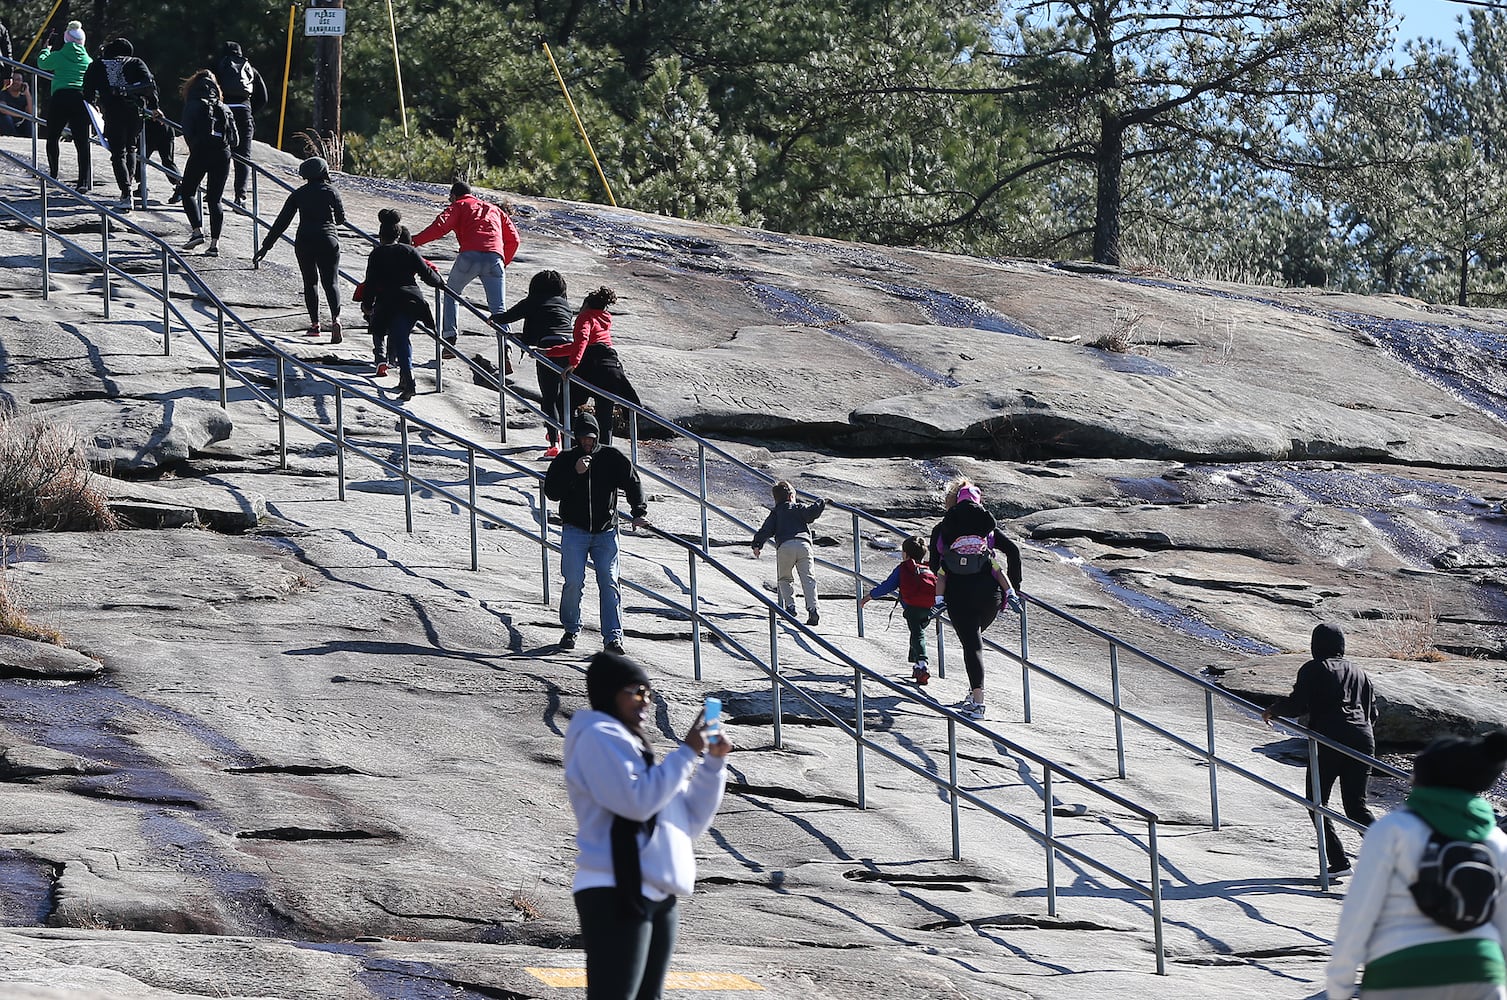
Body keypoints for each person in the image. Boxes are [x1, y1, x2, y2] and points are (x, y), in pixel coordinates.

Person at [565, 649, 731, 1000]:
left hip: (658, 891)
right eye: (636, 692)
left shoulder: (638, 751)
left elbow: (688, 823)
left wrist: (713, 765)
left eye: (649, 693)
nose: (645, 702)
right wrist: (686, 752)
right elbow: (635, 803)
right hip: (614, 888)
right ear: (609, 692)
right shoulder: (596, 736)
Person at [1326, 730, 1507, 1000]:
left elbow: (1360, 912)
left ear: (1425, 779)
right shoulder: (1496, 839)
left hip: (1403, 970)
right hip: (1481, 972)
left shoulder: (1393, 830)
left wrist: (1340, 984)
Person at [1263, 622, 1379, 876]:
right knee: (1356, 806)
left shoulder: (1314, 668)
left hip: (1330, 741)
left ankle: (1339, 863)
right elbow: (1373, 713)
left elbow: (1298, 705)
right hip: (1363, 740)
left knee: (1316, 802)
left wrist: (1274, 709)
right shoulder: (1360, 672)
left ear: (1316, 645)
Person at [543, 411, 649, 654]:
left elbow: (633, 481)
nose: (587, 443)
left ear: (597, 437)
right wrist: (574, 472)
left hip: (606, 532)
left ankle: (613, 638)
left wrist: (638, 511)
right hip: (575, 531)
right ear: (576, 439)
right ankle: (571, 629)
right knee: (573, 582)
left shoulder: (611, 457)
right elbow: (552, 491)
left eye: (591, 438)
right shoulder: (566, 460)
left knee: (610, 582)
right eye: (583, 439)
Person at [927, 478, 1023, 721]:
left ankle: (978, 702)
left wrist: (941, 589)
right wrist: (1015, 587)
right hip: (990, 593)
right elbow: (1013, 551)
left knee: (972, 644)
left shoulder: (943, 528)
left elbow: (934, 565)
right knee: (975, 640)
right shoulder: (986, 528)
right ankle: (973, 692)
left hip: (958, 593)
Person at [411, 181, 519, 353]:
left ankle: (449, 339)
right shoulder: (494, 209)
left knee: (451, 293)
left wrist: (413, 242)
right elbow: (514, 239)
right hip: (495, 258)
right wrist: (502, 262)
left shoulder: (459, 205)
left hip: (469, 256)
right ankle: (505, 347)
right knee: (499, 307)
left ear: (454, 196)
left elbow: (440, 227)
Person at [253, 156, 346, 340]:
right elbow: (341, 219)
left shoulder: (298, 194)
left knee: (310, 282)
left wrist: (265, 247)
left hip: (305, 240)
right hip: (328, 239)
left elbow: (282, 222)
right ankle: (336, 320)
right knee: (331, 282)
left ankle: (315, 326)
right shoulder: (331, 191)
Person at [360, 209, 444, 402]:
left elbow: (370, 282)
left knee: (398, 337)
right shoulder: (409, 250)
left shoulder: (376, 254)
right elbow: (427, 274)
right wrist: (440, 282)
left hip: (388, 302)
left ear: (381, 235)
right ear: (399, 235)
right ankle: (406, 379)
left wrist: (367, 304)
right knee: (401, 337)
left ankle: (409, 381)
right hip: (412, 301)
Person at [494, 269, 575, 457]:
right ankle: (567, 436)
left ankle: (554, 443)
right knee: (566, 398)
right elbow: (552, 325)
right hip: (570, 348)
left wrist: (493, 320)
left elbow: (506, 317)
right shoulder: (565, 304)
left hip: (548, 348)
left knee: (549, 398)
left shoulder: (532, 301)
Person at [81, 38, 158, 210]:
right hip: (134, 112)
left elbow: (87, 91)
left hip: (113, 112)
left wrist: (94, 106)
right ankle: (128, 185)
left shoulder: (98, 64)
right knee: (131, 148)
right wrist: (154, 106)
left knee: (117, 153)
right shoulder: (136, 62)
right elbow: (150, 84)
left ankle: (126, 191)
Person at [563, 287, 642, 446]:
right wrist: (549, 352)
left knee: (565, 403)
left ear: (586, 304)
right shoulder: (604, 320)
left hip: (590, 366)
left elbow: (582, 340)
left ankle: (572, 444)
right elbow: (579, 345)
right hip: (611, 368)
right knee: (605, 419)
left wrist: (574, 363)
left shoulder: (585, 317)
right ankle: (604, 454)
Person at [859, 536, 939, 686]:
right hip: (930, 607)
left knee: (918, 634)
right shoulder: (929, 568)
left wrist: (869, 596)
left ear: (906, 554)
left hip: (912, 607)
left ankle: (922, 664)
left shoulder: (904, 568)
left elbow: (888, 586)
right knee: (917, 632)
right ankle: (916, 665)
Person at [177, 69, 238, 256]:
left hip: (201, 153)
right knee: (215, 199)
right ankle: (214, 245)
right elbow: (235, 140)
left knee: (187, 191)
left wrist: (196, 146)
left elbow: (187, 131)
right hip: (223, 154)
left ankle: (197, 231)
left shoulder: (193, 104)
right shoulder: (224, 107)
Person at [751, 481, 827, 627]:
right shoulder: (798, 507)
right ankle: (813, 609)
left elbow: (766, 530)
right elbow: (812, 513)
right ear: (792, 496)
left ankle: (790, 607)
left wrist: (757, 544)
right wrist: (821, 502)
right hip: (803, 545)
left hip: (785, 546)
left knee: (784, 578)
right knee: (808, 579)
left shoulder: (776, 513)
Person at [37, 21, 92, 189]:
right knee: (82, 142)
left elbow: (42, 63)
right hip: (80, 99)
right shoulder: (88, 60)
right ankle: (83, 181)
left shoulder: (59, 55)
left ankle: (53, 174)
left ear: (66, 39)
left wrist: (46, 48)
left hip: (60, 97)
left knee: (53, 136)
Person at [213, 41, 267, 205]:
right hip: (243, 111)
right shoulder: (250, 69)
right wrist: (250, 111)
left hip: (222, 111)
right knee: (243, 156)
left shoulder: (218, 67)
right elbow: (263, 98)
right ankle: (240, 197)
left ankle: (214, 195)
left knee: (218, 154)